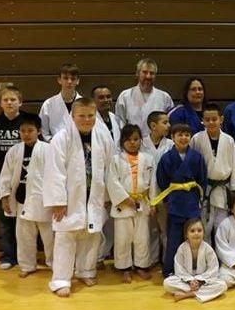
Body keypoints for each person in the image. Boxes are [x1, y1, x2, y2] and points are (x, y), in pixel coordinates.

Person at [43, 98, 114, 297]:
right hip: (69, 198)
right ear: (72, 116)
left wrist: (108, 194)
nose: (86, 119)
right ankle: (60, 279)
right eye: (81, 116)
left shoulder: (102, 136)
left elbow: (110, 167)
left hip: (94, 195)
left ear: (95, 116)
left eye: (90, 115)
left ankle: (85, 271)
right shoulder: (61, 138)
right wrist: (58, 202)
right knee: (66, 237)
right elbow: (54, 172)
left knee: (90, 236)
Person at [0, 114, 54, 277]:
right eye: (23, 131)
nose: (26, 134)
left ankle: (54, 264)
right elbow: (5, 175)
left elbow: (56, 175)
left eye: (30, 130)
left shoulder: (48, 149)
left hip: (45, 202)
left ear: (39, 131)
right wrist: (5, 197)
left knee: (50, 237)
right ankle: (27, 266)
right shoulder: (14, 151)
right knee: (24, 236)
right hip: (22, 200)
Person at [0, 85, 30, 269]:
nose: (9, 103)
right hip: (3, 182)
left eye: (13, 99)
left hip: (27, 179)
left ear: (20, 102)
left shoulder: (29, 122)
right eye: (6, 100)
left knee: (27, 220)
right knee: (6, 219)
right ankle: (9, 256)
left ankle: (27, 254)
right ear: (0, 103)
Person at [151, 123, 207, 277]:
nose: (183, 138)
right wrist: (170, 199)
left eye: (187, 135)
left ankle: (196, 268)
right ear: (172, 137)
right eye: (180, 135)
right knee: (174, 238)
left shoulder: (196, 157)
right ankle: (170, 270)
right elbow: (162, 180)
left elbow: (202, 179)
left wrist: (198, 198)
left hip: (191, 200)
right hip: (175, 202)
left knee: (194, 236)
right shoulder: (166, 158)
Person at [107, 124, 154, 283]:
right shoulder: (115, 159)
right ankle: (124, 267)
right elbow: (112, 182)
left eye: (136, 139)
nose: (132, 143)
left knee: (142, 237)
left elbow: (152, 183)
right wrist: (126, 200)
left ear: (141, 140)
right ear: (122, 142)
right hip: (123, 204)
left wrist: (153, 203)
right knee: (123, 237)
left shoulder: (148, 158)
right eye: (128, 140)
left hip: (142, 201)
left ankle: (141, 266)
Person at [190, 103, 235, 240]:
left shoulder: (229, 140)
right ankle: (206, 259)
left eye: (214, 119)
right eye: (207, 119)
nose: (211, 122)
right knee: (204, 228)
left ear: (221, 119)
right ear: (202, 120)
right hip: (204, 190)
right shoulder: (196, 139)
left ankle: (222, 260)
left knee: (222, 228)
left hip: (223, 190)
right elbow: (191, 165)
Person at [91, 85, 121, 269]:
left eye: (108, 96)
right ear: (94, 100)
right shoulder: (90, 121)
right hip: (98, 176)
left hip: (115, 174)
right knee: (98, 219)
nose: (105, 100)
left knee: (111, 221)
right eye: (101, 97)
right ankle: (96, 257)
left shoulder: (115, 119)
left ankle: (105, 253)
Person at [163, 218, 227, 303]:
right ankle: (200, 293)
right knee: (167, 283)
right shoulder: (182, 248)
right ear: (186, 234)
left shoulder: (208, 249)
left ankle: (188, 294)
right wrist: (190, 280)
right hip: (187, 281)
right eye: (192, 231)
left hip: (203, 282)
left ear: (203, 233)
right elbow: (179, 268)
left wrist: (199, 280)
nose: (196, 233)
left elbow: (213, 269)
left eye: (199, 230)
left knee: (222, 285)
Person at [142, 111, 173, 267]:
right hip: (143, 194)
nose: (168, 126)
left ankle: (167, 261)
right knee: (148, 230)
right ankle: (149, 261)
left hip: (165, 193)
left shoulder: (171, 144)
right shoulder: (141, 144)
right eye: (165, 122)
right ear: (153, 126)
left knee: (165, 229)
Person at [115, 58, 174, 136]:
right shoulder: (125, 96)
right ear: (137, 73)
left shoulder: (164, 97)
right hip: (133, 144)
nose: (148, 76)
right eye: (145, 72)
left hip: (158, 145)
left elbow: (169, 124)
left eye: (152, 73)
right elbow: (119, 123)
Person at [39, 63, 82, 141]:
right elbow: (43, 131)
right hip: (55, 146)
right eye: (65, 78)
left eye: (73, 78)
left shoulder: (84, 104)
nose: (69, 81)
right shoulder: (48, 104)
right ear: (59, 80)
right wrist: (52, 142)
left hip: (79, 146)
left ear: (78, 81)